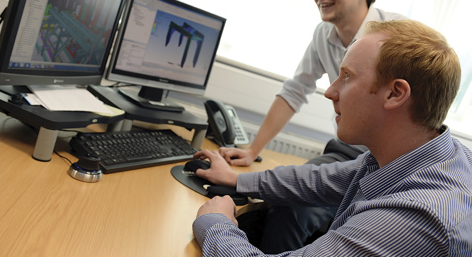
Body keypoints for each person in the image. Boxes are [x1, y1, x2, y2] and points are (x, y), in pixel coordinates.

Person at [192, 19, 472, 256]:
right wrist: (236, 179)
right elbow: (319, 180)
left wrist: (216, 222)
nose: (330, 92)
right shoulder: (425, 155)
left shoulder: (419, 217)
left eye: (347, 77)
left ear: (395, 94)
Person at [221, 0, 406, 252]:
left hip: (389, 161)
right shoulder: (323, 35)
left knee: (299, 210)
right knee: (282, 200)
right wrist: (252, 150)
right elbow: (295, 90)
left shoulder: (399, 34)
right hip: (346, 152)